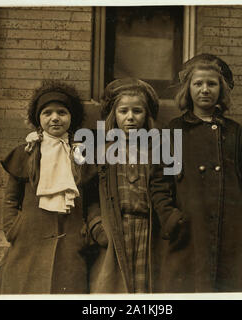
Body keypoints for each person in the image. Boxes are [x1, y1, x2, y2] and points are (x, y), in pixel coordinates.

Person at [150, 54, 242, 292]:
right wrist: (171, 218)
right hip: (189, 234)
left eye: (211, 84)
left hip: (233, 236)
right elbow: (160, 183)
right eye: (198, 83)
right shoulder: (174, 133)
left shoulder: (235, 134)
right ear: (188, 89)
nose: (205, 90)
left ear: (221, 90)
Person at [0, 81, 93, 294]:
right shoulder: (26, 152)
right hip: (29, 240)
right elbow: (11, 198)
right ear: (38, 118)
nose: (55, 118)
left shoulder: (81, 154)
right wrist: (14, 228)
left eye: (62, 112)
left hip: (71, 240)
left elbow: (91, 197)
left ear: (71, 117)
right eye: (47, 112)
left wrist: (85, 231)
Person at [87, 78, 160, 293]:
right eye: (123, 111)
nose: (130, 117)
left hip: (147, 230)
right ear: (114, 115)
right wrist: (97, 226)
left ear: (146, 116)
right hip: (114, 228)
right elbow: (89, 196)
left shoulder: (157, 151)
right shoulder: (101, 152)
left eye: (137, 111)